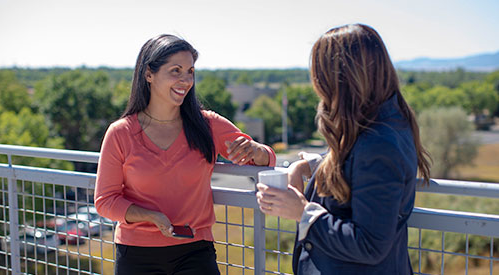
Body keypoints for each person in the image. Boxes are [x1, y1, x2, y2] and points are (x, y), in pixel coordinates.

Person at [256, 24, 431, 274]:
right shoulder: (386, 123)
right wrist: (311, 166)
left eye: (319, 74)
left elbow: (369, 245)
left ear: (339, 79)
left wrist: (303, 212)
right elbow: (358, 165)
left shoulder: (379, 144)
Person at [94, 34, 276, 275]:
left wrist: (256, 150)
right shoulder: (121, 133)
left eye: (190, 71)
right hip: (136, 254)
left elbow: (265, 159)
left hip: (195, 251)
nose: (186, 80)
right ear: (149, 74)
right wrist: (150, 216)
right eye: (176, 71)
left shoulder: (208, 124)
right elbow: (105, 201)